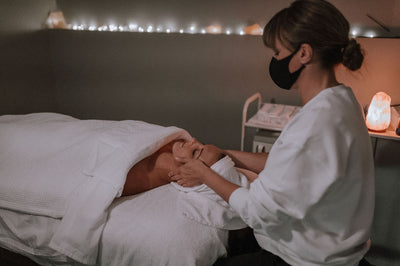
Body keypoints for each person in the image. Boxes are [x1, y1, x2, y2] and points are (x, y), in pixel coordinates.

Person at [169, 0, 375, 265]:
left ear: (304, 53)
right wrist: (222, 153)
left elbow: (257, 211)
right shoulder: (342, 100)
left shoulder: (315, 124)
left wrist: (203, 173)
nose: (275, 61)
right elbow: (286, 165)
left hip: (305, 259)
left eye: (277, 53)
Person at [122, 138, 257, 196]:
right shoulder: (171, 143)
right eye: (201, 143)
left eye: (195, 152)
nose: (192, 140)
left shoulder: (130, 176)